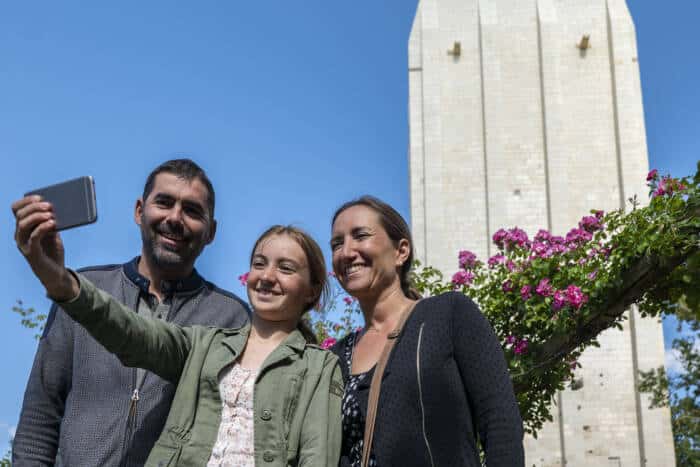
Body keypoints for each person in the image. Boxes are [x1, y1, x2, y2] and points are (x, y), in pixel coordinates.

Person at [12, 204, 344, 467]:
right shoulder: (203, 344)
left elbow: (318, 455)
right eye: (259, 264)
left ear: (313, 289)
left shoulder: (319, 368)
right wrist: (62, 283)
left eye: (286, 268)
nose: (267, 276)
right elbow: (131, 332)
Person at [11, 159, 250, 467]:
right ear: (140, 211)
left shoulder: (232, 318)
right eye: (164, 203)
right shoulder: (80, 290)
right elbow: (39, 418)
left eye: (192, 210)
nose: (175, 218)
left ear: (211, 231)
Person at [329, 196, 524, 467]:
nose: (346, 252)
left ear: (401, 251)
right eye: (337, 244)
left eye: (360, 236)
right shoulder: (336, 355)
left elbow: (500, 421)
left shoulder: (449, 315)